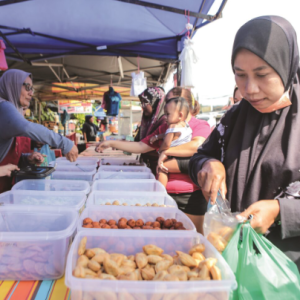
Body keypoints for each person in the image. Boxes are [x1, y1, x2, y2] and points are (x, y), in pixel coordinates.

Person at [189, 16, 300, 269]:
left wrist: (280, 211)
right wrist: (209, 164)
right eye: (240, 75)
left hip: (286, 268)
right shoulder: (235, 116)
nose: (250, 88)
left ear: (286, 66)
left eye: (262, 74)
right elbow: (198, 157)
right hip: (232, 256)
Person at [96, 87, 211, 233]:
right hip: (163, 195)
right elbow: (141, 146)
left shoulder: (200, 125)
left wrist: (166, 151)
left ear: (182, 105)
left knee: (192, 238)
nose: (164, 107)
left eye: (169, 102)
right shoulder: (165, 126)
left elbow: (197, 145)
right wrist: (111, 143)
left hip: (189, 196)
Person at [0, 69, 78, 192]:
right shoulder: (3, 107)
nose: (31, 93)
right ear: (12, 85)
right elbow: (26, 127)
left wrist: (27, 159)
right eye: (27, 87)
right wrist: (65, 143)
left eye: (32, 89)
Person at [150, 97, 192, 187]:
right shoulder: (186, 126)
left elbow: (166, 143)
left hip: (176, 158)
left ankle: (161, 192)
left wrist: (160, 151)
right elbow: (169, 135)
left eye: (167, 114)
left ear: (180, 115)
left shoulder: (172, 126)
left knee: (162, 168)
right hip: (187, 157)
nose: (165, 117)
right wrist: (157, 137)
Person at [134, 87, 166, 174]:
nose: (143, 106)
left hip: (157, 170)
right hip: (146, 166)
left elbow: (144, 146)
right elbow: (137, 141)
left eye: (145, 102)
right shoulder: (147, 121)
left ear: (155, 102)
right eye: (141, 103)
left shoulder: (163, 122)